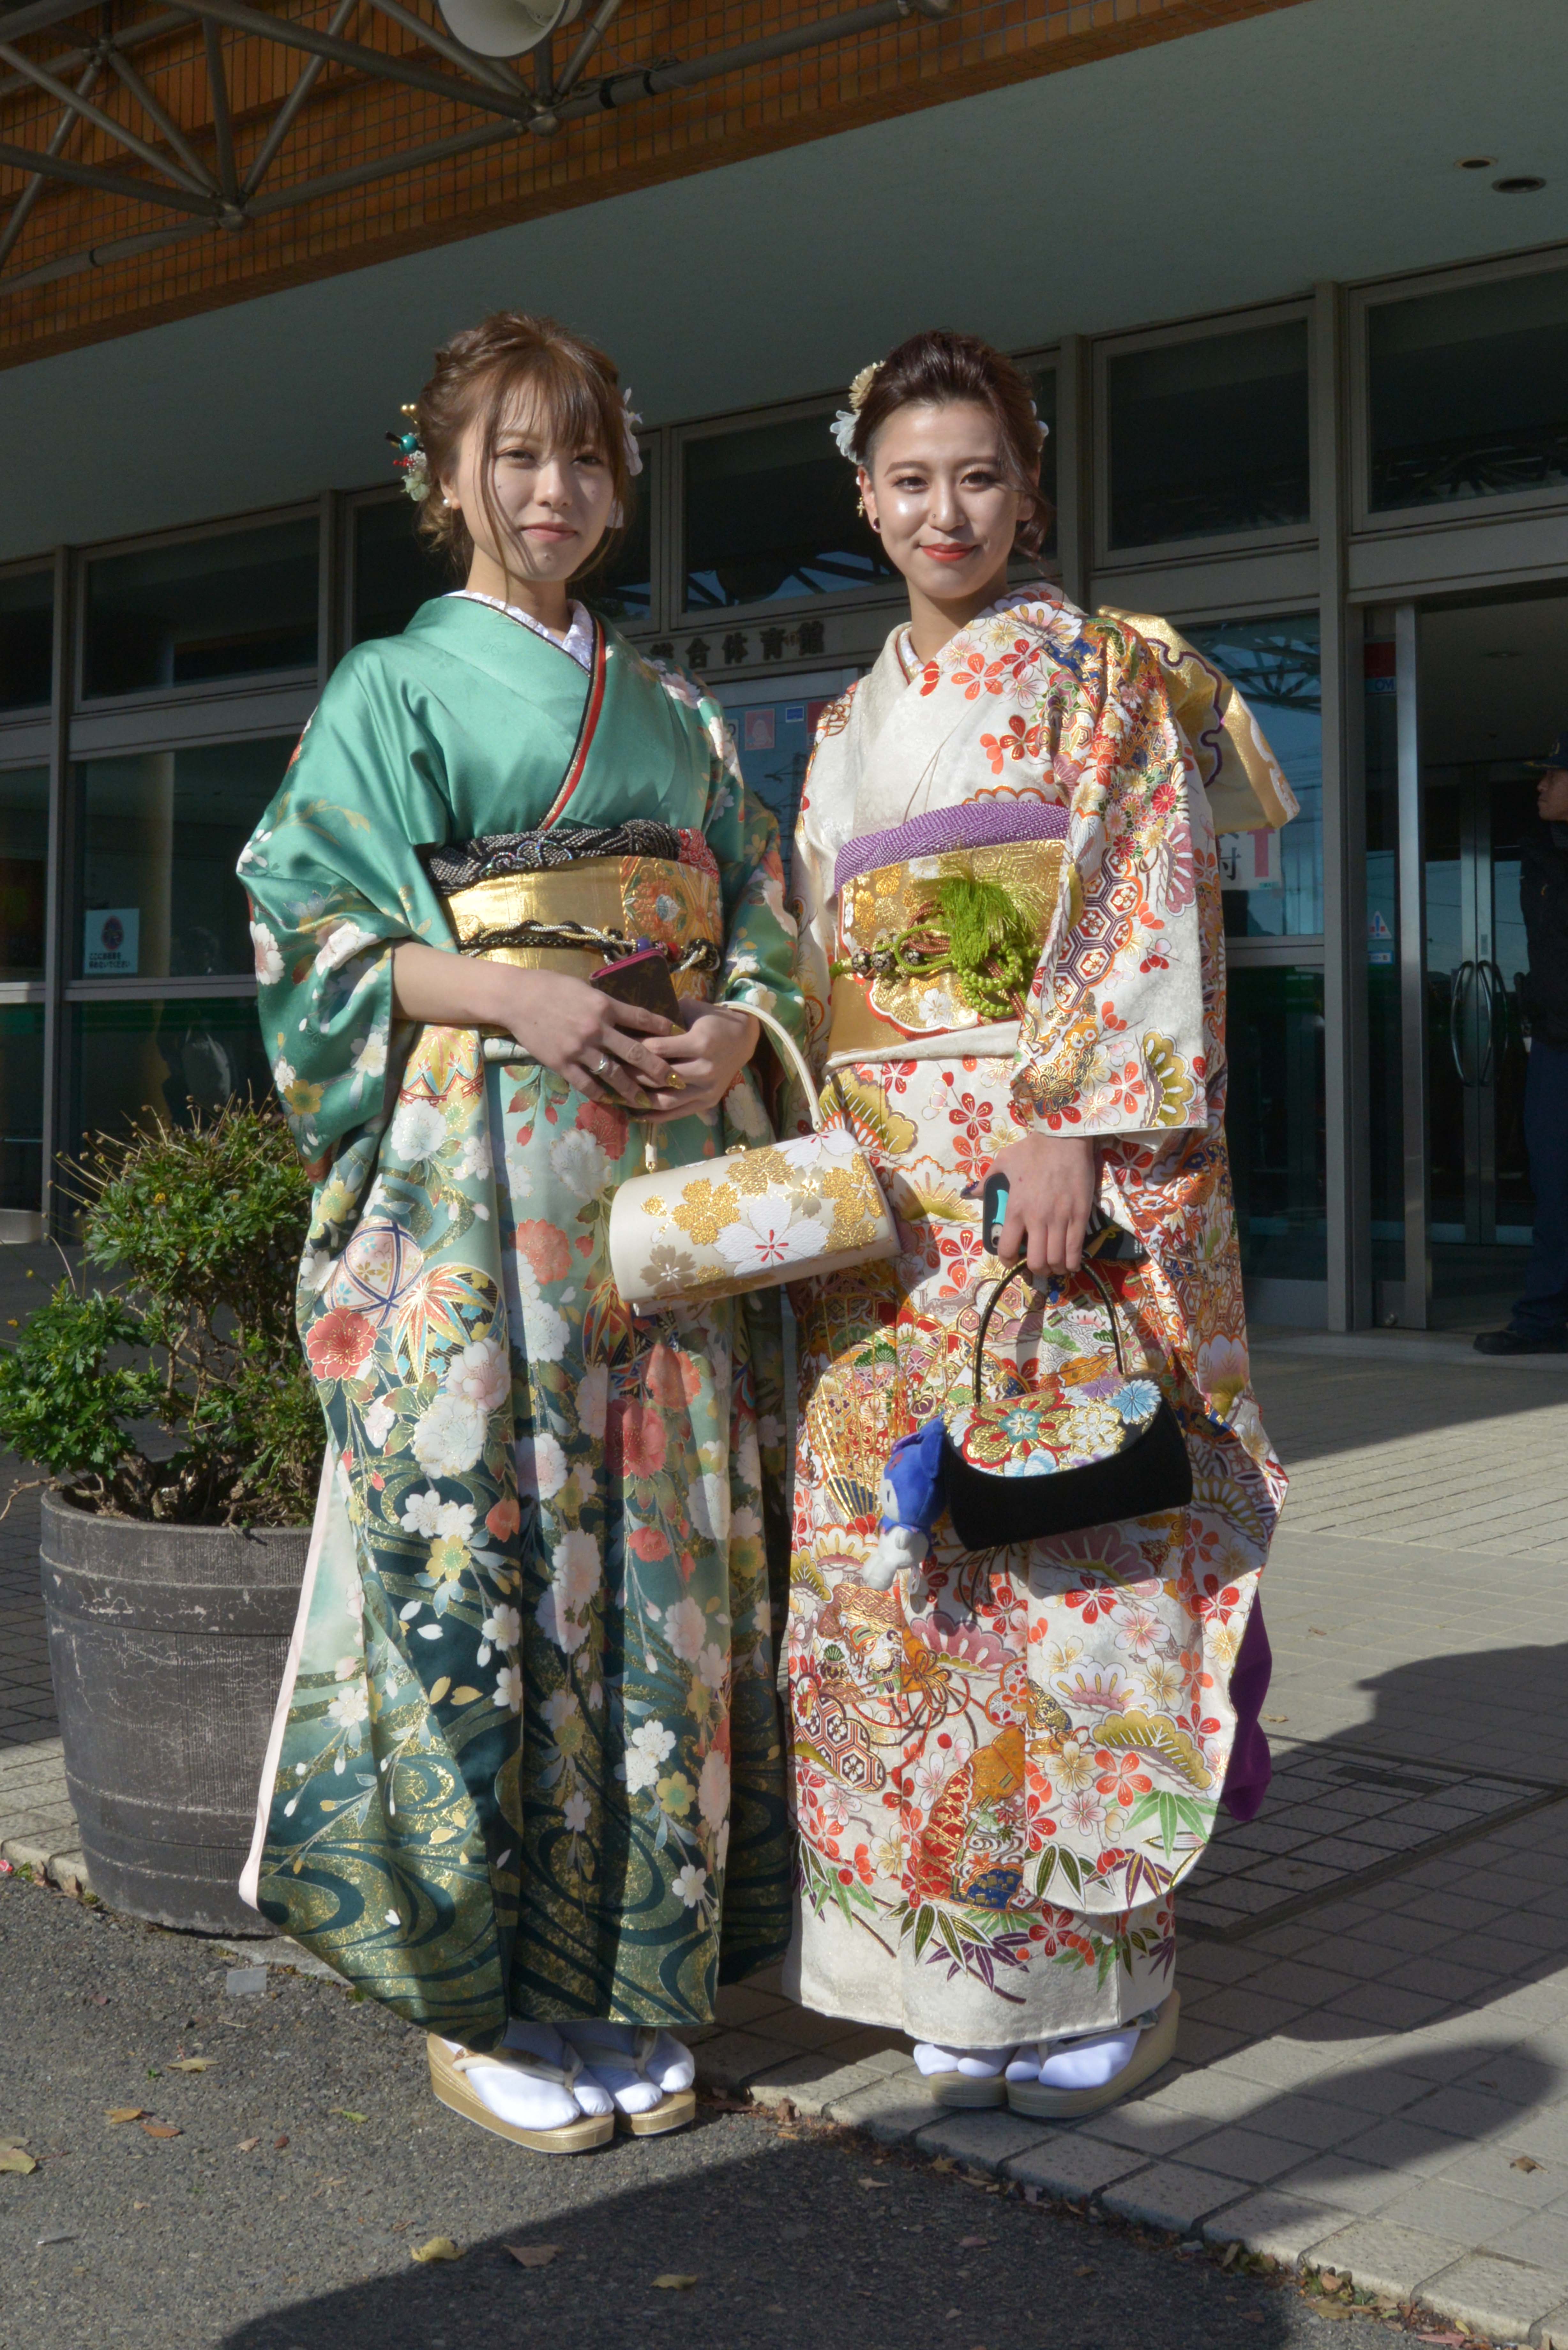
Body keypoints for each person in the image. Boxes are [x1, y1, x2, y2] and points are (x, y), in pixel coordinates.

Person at [236, 312, 806, 2154]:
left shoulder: (679, 713)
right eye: (515, 454)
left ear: (618, 483)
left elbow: (763, 913)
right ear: (445, 476)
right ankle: (474, 1996)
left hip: (657, 1192)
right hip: (482, 1192)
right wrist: (505, 990)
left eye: (583, 456)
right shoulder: (391, 689)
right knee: (488, 1567)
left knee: (660, 1577)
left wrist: (741, 1026)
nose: (553, 490)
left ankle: (627, 1978)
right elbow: (306, 930)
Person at [783, 330, 1286, 2117]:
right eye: (910, 480)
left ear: (1028, 489)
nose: (947, 511)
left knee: (1065, 1546)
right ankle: (933, 1965)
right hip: (884, 1194)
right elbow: (817, 962)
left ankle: (1092, 1973)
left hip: (1036, 1168)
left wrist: (1070, 1118)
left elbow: (1145, 894)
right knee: (900, 1563)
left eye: (979, 475)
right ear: (864, 500)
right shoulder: (840, 727)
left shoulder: (1097, 670)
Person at [1474, 738, 1568, 1355]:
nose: (1541, 785)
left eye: (1554, 775)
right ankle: (1543, 1321)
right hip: (1558, 1045)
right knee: (1554, 1184)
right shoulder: (1539, 853)